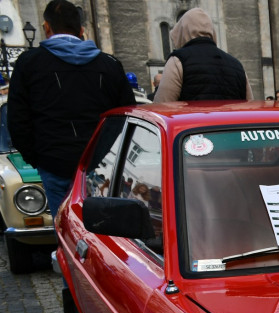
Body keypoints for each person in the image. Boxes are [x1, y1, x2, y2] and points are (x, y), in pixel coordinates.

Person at [8, 0, 135, 218]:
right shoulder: (109, 65)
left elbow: (18, 120)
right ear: (82, 30)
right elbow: (126, 116)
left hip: (54, 160)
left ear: (47, 27)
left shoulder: (29, 64)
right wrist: (108, 154)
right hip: (100, 162)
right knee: (105, 226)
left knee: (65, 225)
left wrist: (37, 158)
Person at [153, 8, 253, 103]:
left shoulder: (178, 61)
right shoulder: (236, 65)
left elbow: (162, 107)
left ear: (182, 32)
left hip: (193, 121)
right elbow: (249, 106)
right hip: (231, 121)